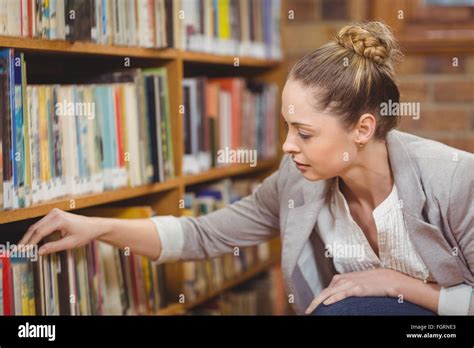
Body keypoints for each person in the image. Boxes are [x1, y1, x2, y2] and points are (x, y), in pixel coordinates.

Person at [19, 21, 473, 315]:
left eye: (305, 133)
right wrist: (98, 227)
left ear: (363, 127)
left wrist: (398, 284)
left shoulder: (453, 180)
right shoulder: (298, 181)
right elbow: (204, 235)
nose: (287, 145)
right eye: (286, 128)